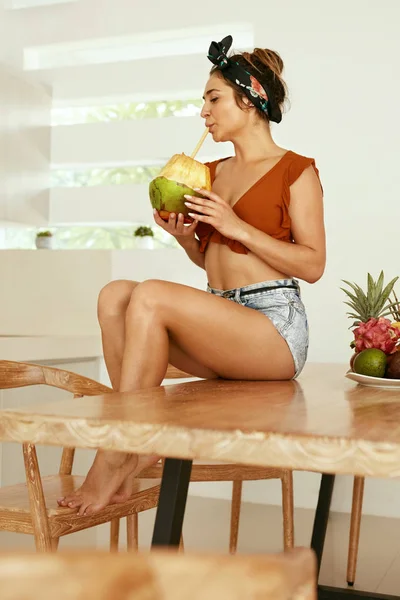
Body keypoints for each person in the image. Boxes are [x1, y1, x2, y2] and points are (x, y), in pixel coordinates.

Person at [58, 35, 325, 516]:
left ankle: (120, 450)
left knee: (152, 295)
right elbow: (213, 263)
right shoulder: (210, 172)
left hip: (273, 329)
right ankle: (141, 439)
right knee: (116, 295)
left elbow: (313, 265)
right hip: (223, 320)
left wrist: (235, 225)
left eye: (214, 98)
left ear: (252, 98)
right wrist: (184, 236)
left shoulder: (295, 171)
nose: (204, 110)